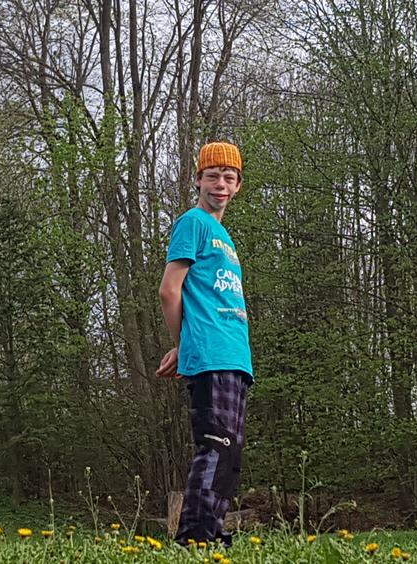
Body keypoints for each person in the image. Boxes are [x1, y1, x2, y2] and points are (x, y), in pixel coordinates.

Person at [156, 141, 253, 547]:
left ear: (238, 186)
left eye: (228, 178)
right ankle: (193, 539)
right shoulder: (192, 223)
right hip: (210, 352)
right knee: (215, 445)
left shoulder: (224, 237)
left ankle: (213, 533)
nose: (220, 184)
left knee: (229, 455)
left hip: (234, 355)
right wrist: (183, 343)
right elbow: (169, 290)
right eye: (212, 176)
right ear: (198, 180)